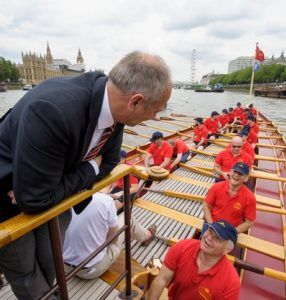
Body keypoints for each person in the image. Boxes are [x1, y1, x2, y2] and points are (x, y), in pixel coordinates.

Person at [0, 51, 172, 299]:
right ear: (135, 101)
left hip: (52, 193)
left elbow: (109, 162)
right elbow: (34, 200)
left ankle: (50, 293)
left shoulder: (115, 108)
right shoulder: (53, 110)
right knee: (26, 273)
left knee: (50, 259)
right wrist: (89, 168)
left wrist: (57, 184)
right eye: (155, 110)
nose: (154, 117)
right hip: (7, 198)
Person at [63, 193, 156, 280]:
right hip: (89, 271)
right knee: (127, 218)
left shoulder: (72, 195)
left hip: (64, 267)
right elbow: (114, 240)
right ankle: (147, 235)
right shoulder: (106, 201)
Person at [148, 220, 240, 300]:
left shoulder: (231, 283)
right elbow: (162, 279)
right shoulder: (182, 247)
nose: (209, 237)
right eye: (210, 231)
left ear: (227, 249)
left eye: (218, 238)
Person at [203, 163, 256, 233]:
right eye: (235, 171)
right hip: (212, 225)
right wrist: (211, 225)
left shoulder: (250, 197)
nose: (236, 175)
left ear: (246, 178)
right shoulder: (216, 187)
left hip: (230, 231)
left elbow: (249, 222)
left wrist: (233, 232)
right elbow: (206, 205)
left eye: (240, 174)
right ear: (230, 172)